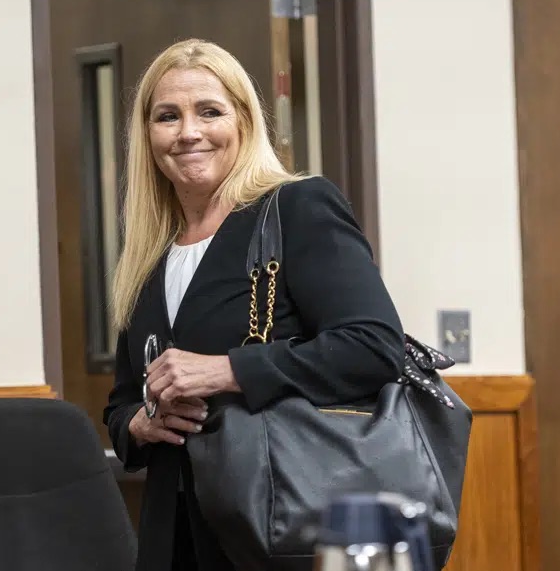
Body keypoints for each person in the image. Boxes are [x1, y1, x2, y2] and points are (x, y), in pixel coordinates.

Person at [102, 38, 405, 571]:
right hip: (175, 533)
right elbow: (124, 402)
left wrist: (226, 371)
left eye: (209, 111)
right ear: (147, 136)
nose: (189, 132)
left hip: (279, 523)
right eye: (167, 116)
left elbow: (375, 347)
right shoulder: (148, 255)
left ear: (243, 122)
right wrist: (140, 424)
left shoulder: (296, 207)